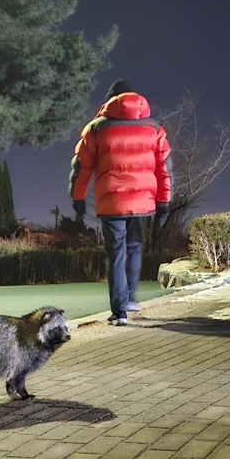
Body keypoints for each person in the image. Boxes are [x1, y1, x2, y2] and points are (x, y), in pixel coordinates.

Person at [69, 79, 172, 326]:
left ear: (111, 100)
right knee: (135, 247)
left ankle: (120, 313)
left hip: (111, 201)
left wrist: (78, 196)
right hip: (142, 202)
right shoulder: (154, 128)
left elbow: (82, 165)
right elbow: (164, 167)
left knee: (116, 253)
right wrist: (164, 201)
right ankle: (131, 299)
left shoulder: (97, 128)